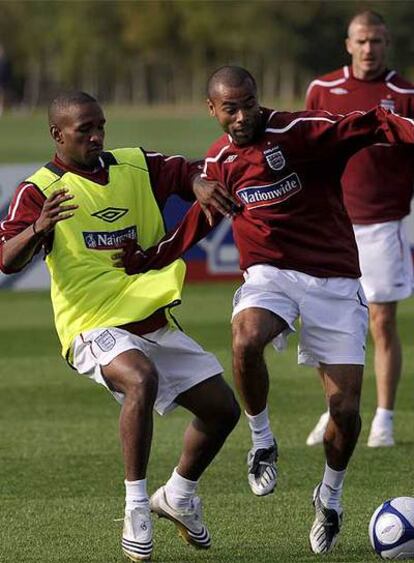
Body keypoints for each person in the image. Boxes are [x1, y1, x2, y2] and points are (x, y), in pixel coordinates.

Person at [113, 66, 414, 554]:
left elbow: (375, 122)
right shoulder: (221, 163)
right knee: (246, 337)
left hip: (334, 281)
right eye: (230, 108)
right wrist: (146, 260)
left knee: (344, 411)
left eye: (248, 103)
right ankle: (262, 441)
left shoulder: (299, 133)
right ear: (212, 109)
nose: (242, 115)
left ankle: (329, 497)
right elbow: (193, 226)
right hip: (270, 276)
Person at [0, 91, 241, 562]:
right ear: (57, 135)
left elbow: (185, 170)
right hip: (90, 325)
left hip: (149, 317)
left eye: (101, 126)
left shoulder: (134, 165)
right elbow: (7, 260)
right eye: (84, 129)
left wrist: (199, 185)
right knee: (140, 379)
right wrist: (37, 230)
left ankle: (178, 495)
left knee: (222, 411)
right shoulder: (38, 190)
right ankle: (135, 507)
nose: (96, 136)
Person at [305, 10, 414, 449]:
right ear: (348, 44)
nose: (370, 49)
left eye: (377, 41)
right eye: (362, 41)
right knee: (325, 323)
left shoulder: (405, 92)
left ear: (387, 44)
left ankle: (384, 418)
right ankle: (336, 407)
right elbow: (306, 147)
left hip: (386, 222)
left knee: (381, 321)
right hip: (331, 224)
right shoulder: (322, 89)